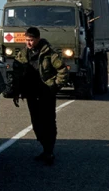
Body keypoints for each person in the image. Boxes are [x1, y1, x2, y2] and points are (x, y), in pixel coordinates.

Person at [12, 26, 68, 165]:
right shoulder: (23, 54)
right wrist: (16, 91)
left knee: (48, 122)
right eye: (26, 40)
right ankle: (45, 148)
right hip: (31, 93)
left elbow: (62, 70)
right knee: (36, 123)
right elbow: (16, 75)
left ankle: (49, 151)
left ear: (37, 39)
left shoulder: (50, 53)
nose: (28, 43)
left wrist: (55, 86)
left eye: (31, 40)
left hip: (46, 93)